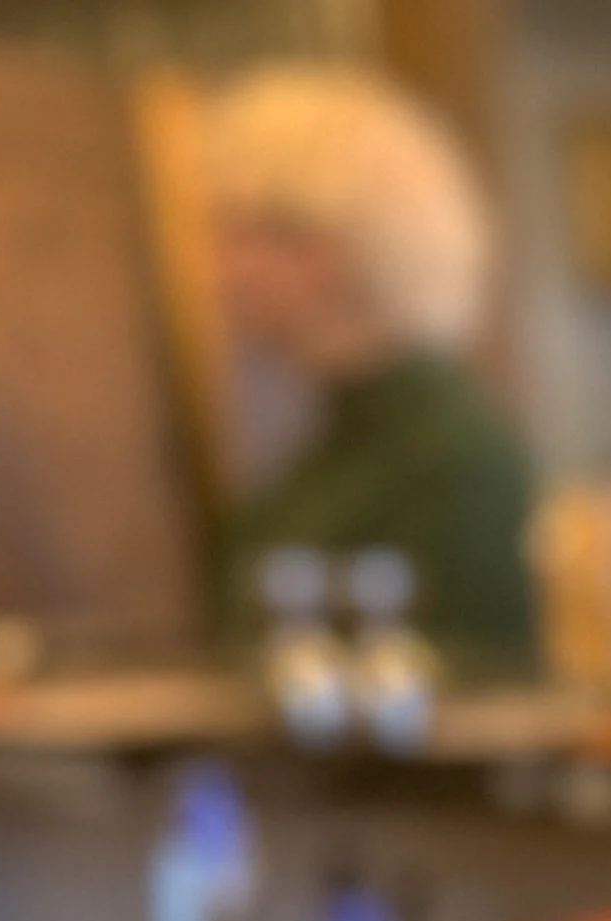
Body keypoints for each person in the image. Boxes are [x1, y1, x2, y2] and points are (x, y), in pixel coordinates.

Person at [205, 64, 535, 666]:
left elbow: (477, 706)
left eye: (241, 230)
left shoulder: (453, 462)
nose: (222, 267)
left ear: (327, 247)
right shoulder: (331, 443)